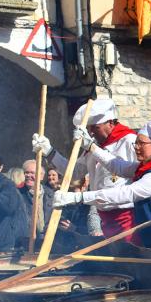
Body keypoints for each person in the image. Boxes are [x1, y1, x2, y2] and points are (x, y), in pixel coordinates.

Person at [54, 120, 151, 261]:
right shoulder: (149, 166)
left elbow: (124, 194)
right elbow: (117, 165)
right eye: (136, 142)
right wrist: (91, 147)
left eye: (141, 143)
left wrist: (77, 197)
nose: (136, 147)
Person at [33, 99, 138, 238]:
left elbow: (135, 172)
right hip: (102, 216)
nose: (91, 133)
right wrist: (50, 151)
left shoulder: (129, 141)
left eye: (94, 127)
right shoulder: (93, 145)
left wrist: (91, 147)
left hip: (127, 217)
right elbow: (74, 171)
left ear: (110, 123)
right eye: (88, 128)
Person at [19, 159, 54, 237]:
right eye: (26, 172)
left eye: (32, 173)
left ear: (41, 176)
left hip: (47, 238)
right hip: (27, 239)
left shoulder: (50, 194)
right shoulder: (18, 194)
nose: (28, 175)